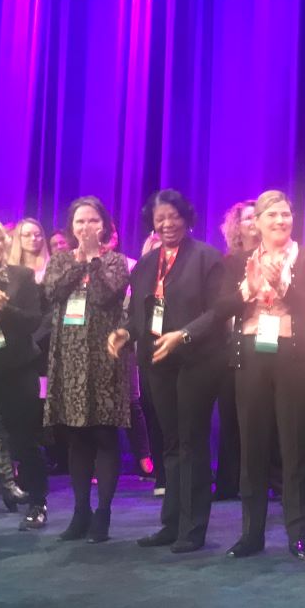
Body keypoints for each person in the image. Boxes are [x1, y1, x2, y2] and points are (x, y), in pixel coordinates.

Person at [107, 189, 225, 554]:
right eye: (160, 218)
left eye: (173, 216)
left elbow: (219, 312)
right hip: (157, 362)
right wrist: (125, 333)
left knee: (191, 442)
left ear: (187, 218)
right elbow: (140, 316)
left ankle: (194, 528)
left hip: (196, 361)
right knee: (170, 444)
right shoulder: (145, 264)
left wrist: (184, 336)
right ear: (152, 224)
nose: (167, 223)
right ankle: (171, 523)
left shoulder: (207, 258)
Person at [216, 190, 305, 560]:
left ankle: (297, 534)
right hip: (251, 357)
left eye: (286, 214)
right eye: (272, 215)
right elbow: (219, 307)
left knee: (294, 447)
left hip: (294, 357)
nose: (280, 221)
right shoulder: (239, 262)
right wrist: (247, 290)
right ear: (256, 222)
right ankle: (251, 533)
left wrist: (283, 288)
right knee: (253, 447)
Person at [44, 197, 131, 543]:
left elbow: (105, 296)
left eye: (93, 221)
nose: (86, 228)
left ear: (105, 226)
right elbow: (53, 291)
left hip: (103, 357)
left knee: (103, 434)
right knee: (77, 437)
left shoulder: (114, 261)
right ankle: (80, 511)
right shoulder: (61, 261)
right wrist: (78, 262)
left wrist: (93, 261)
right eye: (79, 222)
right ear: (71, 228)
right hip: (68, 357)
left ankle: (103, 514)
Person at [0, 216, 49, 537]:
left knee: (24, 440)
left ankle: (37, 504)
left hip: (17, 369)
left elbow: (35, 321)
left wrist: (7, 310)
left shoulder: (22, 276)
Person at [213, 199, 260, 501]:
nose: (253, 222)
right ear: (237, 226)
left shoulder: (283, 258)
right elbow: (220, 305)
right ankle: (230, 480)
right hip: (232, 345)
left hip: (270, 343)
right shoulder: (227, 263)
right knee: (231, 414)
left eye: (258, 216)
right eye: (247, 218)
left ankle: (267, 479)